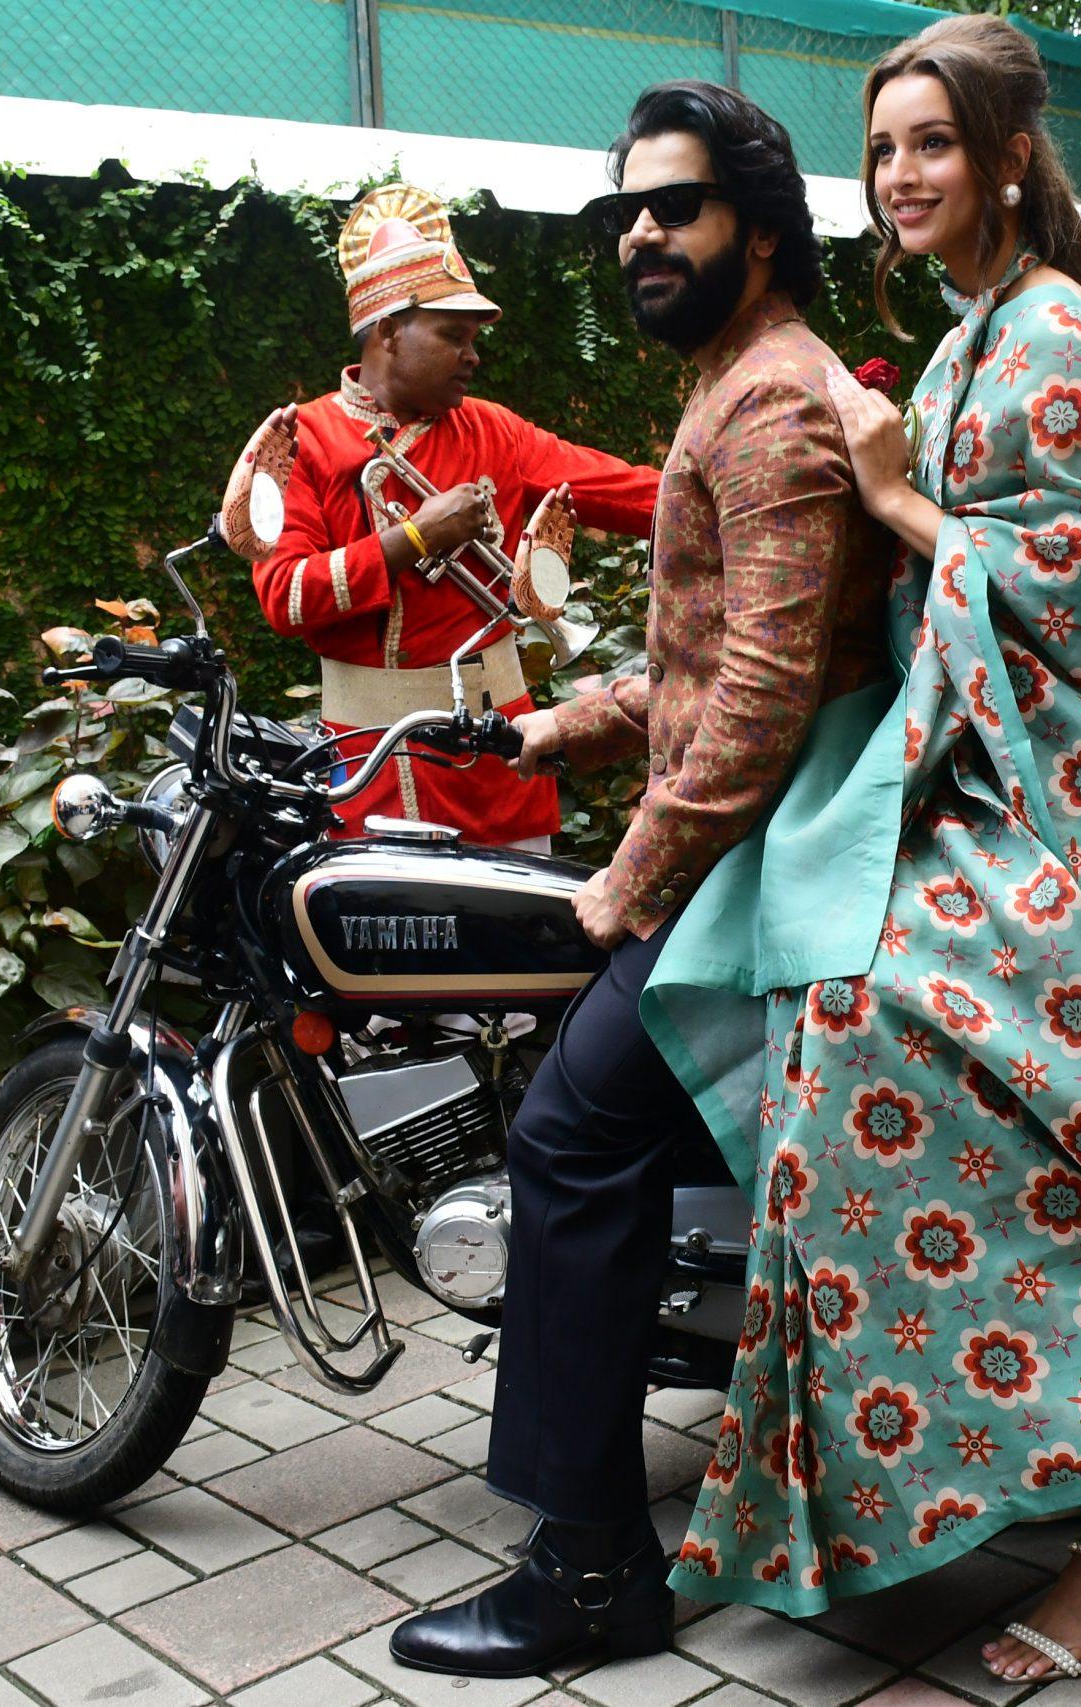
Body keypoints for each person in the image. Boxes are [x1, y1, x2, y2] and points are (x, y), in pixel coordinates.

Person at [661, 16, 1081, 1683]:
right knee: (822, 1022)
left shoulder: (1051, 331)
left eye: (932, 143)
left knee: (878, 1039)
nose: (900, 175)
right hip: (997, 779)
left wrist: (893, 497)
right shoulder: (960, 339)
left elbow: (1070, 591)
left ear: (1006, 159)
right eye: (882, 150)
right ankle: (952, 1460)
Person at [386, 82, 891, 1678]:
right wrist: (564, 721)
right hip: (749, 849)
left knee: (569, 1134)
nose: (640, 237)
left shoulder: (772, 404)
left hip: (759, 875)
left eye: (677, 207)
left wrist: (630, 875)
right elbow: (701, 666)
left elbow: (765, 696)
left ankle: (592, 1565)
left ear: (762, 227)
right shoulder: (735, 385)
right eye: (627, 213)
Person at [222, 185, 660, 847]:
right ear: (388, 332)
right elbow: (286, 598)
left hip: (496, 765)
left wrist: (740, 482)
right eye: (454, 335)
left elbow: (635, 494)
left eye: (474, 338)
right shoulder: (303, 439)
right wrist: (414, 537)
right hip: (366, 768)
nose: (474, 355)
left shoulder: (497, 431)